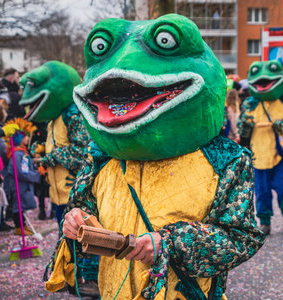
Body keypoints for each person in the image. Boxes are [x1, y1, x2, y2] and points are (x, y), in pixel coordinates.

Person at [45, 14, 264, 299]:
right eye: (101, 47)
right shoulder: (100, 157)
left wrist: (169, 243)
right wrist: (76, 220)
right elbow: (83, 207)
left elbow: (241, 238)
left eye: (165, 41)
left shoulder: (226, 160)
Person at [19, 61, 89, 227]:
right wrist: (43, 150)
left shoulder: (73, 114)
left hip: (76, 197)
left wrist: (50, 157)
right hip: (59, 196)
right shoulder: (54, 118)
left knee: (78, 245)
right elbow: (60, 143)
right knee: (65, 243)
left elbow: (83, 153)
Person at [238, 60, 283, 235]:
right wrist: (246, 123)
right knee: (262, 193)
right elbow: (241, 130)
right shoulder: (249, 103)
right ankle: (265, 222)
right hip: (259, 156)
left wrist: (280, 124)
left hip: (282, 155)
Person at [5, 119, 39, 235]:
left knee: (22, 205)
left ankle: (22, 225)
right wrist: (36, 175)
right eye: (25, 137)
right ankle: (18, 226)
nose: (28, 139)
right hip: (18, 185)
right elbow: (22, 172)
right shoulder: (18, 154)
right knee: (18, 205)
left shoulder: (21, 153)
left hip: (22, 184)